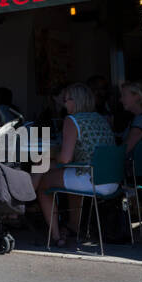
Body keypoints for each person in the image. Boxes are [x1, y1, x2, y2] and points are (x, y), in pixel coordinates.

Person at [31, 82, 116, 246]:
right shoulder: (101, 118)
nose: (64, 103)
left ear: (75, 101)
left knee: (44, 183)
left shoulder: (72, 120)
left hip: (91, 178)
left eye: (67, 99)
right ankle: (74, 227)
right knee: (58, 175)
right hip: (110, 179)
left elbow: (65, 159)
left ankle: (55, 236)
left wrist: (48, 158)